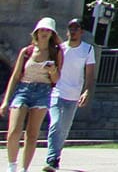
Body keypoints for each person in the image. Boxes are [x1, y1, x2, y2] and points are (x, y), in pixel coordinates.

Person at [7, 18, 63, 172]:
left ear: (52, 34)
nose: (45, 33)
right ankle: (12, 166)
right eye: (42, 30)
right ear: (36, 32)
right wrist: (6, 100)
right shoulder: (27, 51)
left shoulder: (56, 52)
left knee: (32, 134)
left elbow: (57, 79)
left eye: (48, 30)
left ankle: (24, 168)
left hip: (43, 91)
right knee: (14, 131)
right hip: (23, 89)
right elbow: (16, 75)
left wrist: (52, 70)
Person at [44, 19, 94, 172]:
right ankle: (51, 158)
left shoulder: (87, 49)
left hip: (73, 95)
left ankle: (56, 157)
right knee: (55, 123)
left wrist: (86, 91)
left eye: (76, 28)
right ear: (67, 31)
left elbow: (90, 74)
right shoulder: (61, 49)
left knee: (64, 128)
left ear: (81, 32)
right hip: (57, 92)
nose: (73, 31)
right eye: (70, 28)